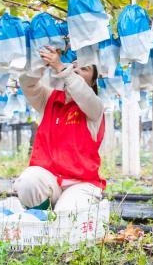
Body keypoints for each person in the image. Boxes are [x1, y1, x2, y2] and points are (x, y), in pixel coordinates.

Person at [14, 46, 107, 211]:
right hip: (50, 178)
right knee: (28, 181)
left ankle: (59, 215)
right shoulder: (49, 98)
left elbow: (82, 93)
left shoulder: (95, 107)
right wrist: (42, 63)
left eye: (84, 68)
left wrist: (61, 67)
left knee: (67, 214)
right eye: (73, 66)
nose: (75, 70)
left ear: (93, 81)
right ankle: (43, 216)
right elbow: (26, 83)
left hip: (81, 183)